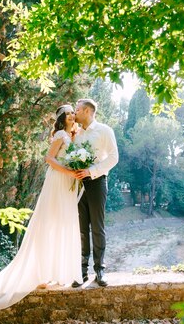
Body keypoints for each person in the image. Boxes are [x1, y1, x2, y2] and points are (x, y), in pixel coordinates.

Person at [0, 104, 82, 311]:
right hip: (58, 179)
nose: (71, 116)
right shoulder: (60, 135)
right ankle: (39, 272)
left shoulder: (72, 135)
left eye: (72, 113)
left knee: (63, 224)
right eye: (67, 114)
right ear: (61, 118)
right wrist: (68, 171)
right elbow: (49, 158)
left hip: (68, 182)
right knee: (49, 222)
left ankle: (58, 272)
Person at [72, 98, 119, 287]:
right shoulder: (76, 134)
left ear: (86, 111)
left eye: (76, 110)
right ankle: (81, 271)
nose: (74, 114)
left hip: (97, 183)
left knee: (98, 228)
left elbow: (114, 157)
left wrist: (91, 171)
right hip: (77, 185)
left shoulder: (105, 131)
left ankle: (99, 270)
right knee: (81, 229)